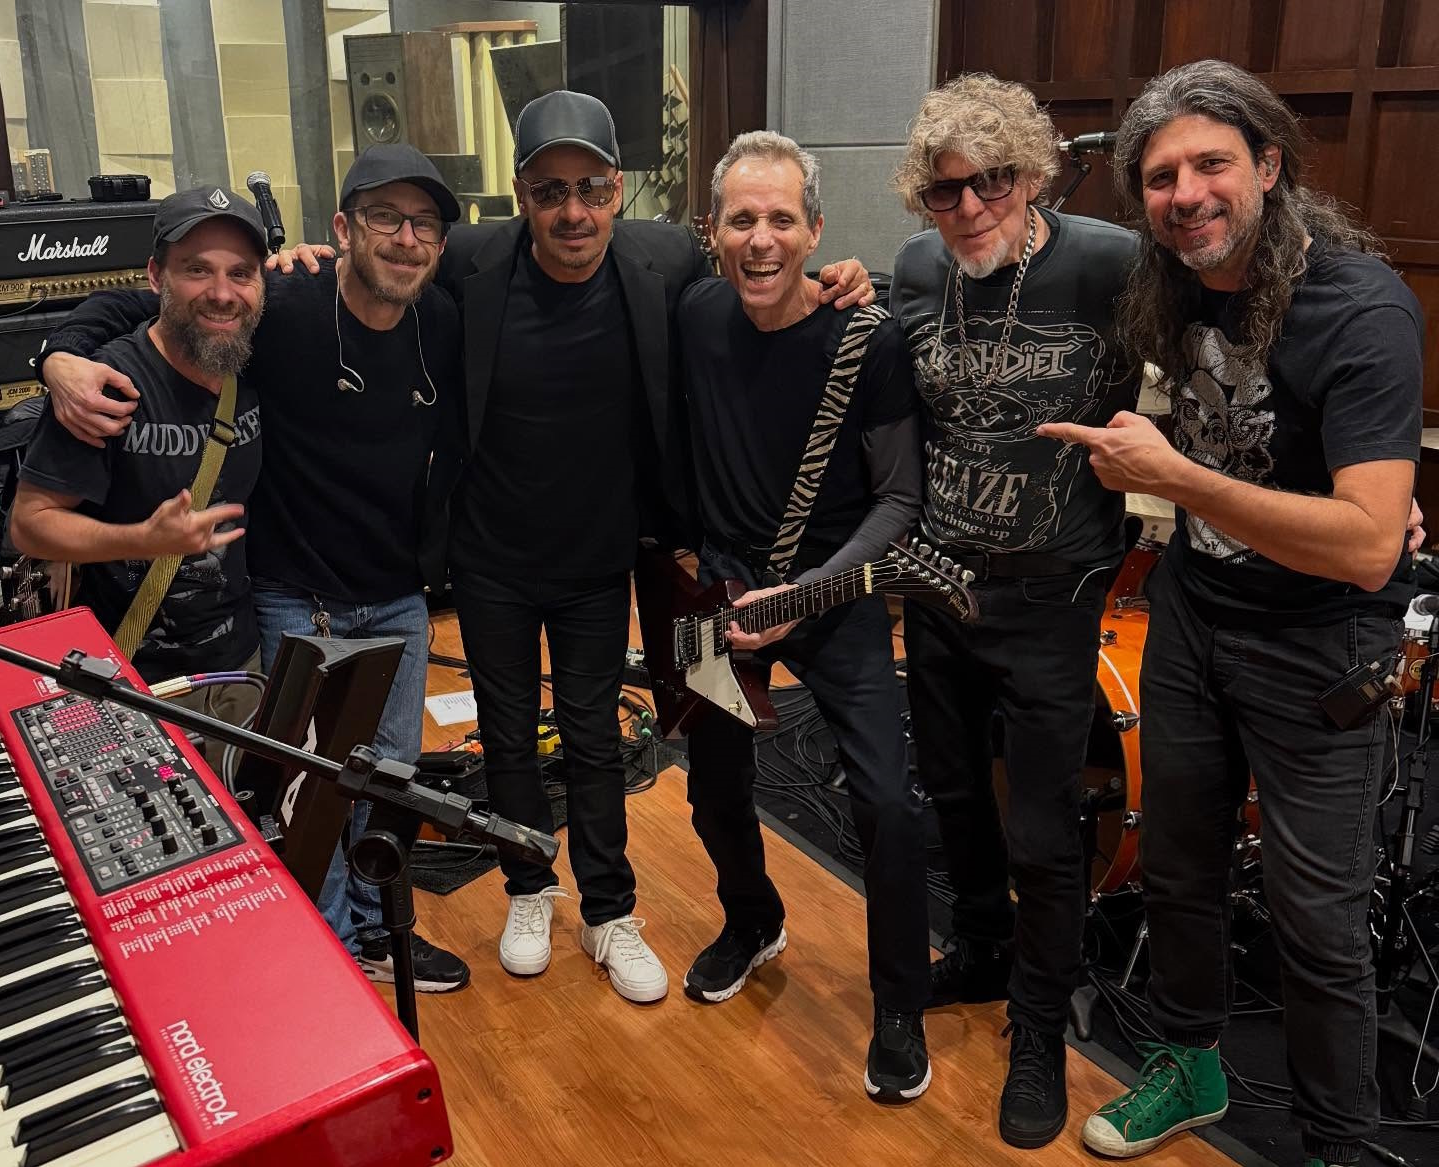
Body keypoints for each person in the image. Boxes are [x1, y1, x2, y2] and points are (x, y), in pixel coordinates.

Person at [1036, 60, 1423, 1167]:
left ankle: (1336, 1143)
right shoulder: (1171, 287)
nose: (1186, 194)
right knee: (1180, 868)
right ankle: (1189, 1066)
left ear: (1269, 166)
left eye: (1211, 164)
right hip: (1197, 615)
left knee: (1317, 919)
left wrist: (1181, 478)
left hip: (1321, 645)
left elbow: (1366, 547)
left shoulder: (1358, 307)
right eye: (1160, 178)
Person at [426, 90, 873, 1004]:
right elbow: (367, 279)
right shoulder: (468, 260)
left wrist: (841, 279)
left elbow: (764, 279)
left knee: (595, 736)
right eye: (550, 191)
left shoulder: (664, 259)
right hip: (489, 555)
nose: (573, 210)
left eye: (591, 187)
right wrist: (300, 260)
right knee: (507, 735)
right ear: (519, 194)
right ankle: (527, 886)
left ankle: (608, 908)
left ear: (619, 189)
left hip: (603, 557)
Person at [37, 146, 471, 994]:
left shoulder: (443, 320)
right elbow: (148, 302)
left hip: (397, 597)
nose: (405, 237)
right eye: (385, 216)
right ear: (344, 228)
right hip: (291, 596)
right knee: (307, 790)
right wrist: (56, 355)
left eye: (424, 223)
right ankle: (330, 947)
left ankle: (381, 929)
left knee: (390, 783)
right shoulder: (287, 303)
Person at [887, 74, 1141, 1146]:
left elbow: (1227, 348)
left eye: (992, 181)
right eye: (945, 191)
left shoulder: (1107, 263)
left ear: (1033, 175)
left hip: (1052, 593)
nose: (971, 207)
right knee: (953, 792)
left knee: (1041, 826)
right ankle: (986, 950)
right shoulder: (916, 268)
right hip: (939, 584)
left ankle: (1039, 1023)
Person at [674, 129, 932, 1100]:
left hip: (835, 596)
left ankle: (900, 1003)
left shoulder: (869, 339)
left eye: (782, 218)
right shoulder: (696, 314)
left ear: (816, 230)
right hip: (721, 594)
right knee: (710, 788)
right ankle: (752, 919)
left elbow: (900, 500)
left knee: (888, 806)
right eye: (742, 218)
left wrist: (807, 593)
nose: (762, 238)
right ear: (712, 231)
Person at [11, 186, 266, 749]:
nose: (222, 293)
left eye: (240, 273)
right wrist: (143, 540)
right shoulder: (103, 387)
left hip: (240, 667)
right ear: (156, 276)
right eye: (196, 270)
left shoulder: (251, 358)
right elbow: (30, 523)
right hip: (128, 679)